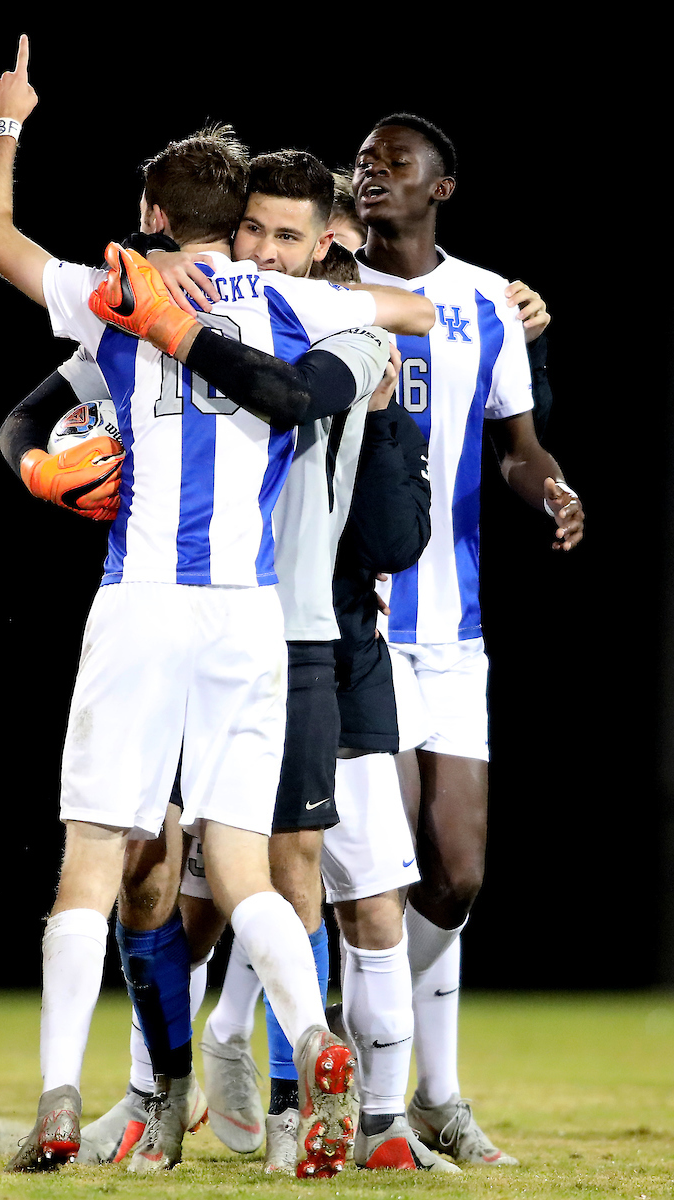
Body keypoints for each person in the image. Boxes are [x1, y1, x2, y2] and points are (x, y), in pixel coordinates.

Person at [0, 38, 433, 1179]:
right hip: (248, 622)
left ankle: (62, 1097)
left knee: (92, 856)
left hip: (141, 606)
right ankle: (313, 1038)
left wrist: (6, 122)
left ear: (148, 209)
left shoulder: (117, 288)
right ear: (245, 222)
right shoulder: (284, 297)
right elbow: (407, 317)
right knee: (238, 863)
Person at [317, 111, 584, 1169]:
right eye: (362, 164)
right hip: (356, 620)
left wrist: (551, 488)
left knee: (457, 874)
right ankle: (416, 1087)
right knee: (378, 863)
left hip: (454, 628)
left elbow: (515, 447)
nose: (372, 174)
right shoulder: (324, 294)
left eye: (395, 165)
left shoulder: (484, 301)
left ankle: (367, 1042)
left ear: (443, 187)